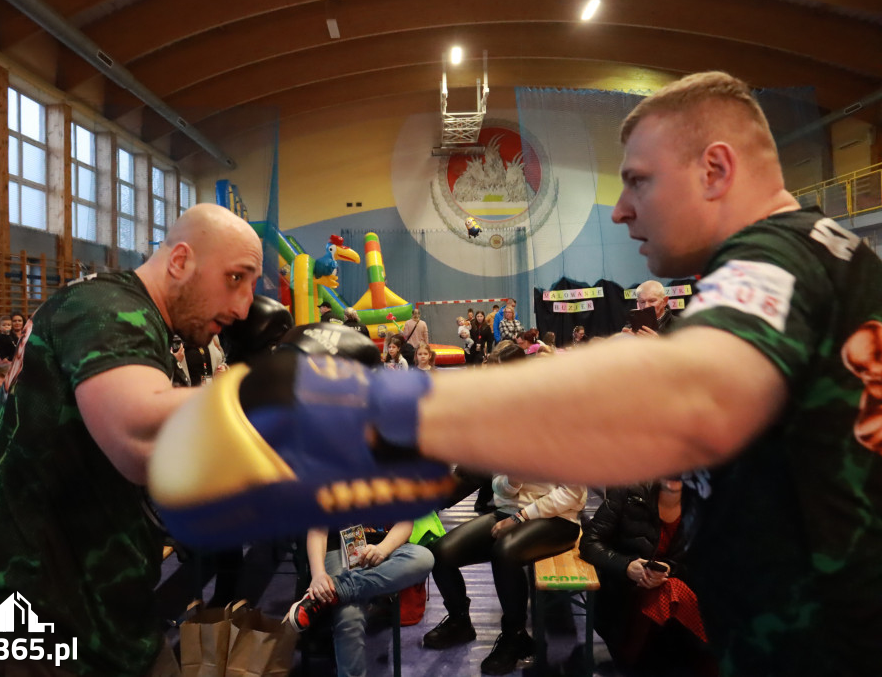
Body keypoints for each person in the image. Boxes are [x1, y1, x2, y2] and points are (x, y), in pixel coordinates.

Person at [156, 71, 882, 675]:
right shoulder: (828, 257)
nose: (624, 209)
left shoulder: (777, 261)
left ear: (716, 169)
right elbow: (655, 432)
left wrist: (375, 408)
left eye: (637, 180)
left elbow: (685, 396)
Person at [0, 203, 263, 676]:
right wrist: (270, 390)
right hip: (35, 625)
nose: (243, 307)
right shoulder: (108, 310)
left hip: (101, 611)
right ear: (180, 261)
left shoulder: (136, 319)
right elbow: (139, 438)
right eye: (236, 279)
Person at [423, 477, 586, 675]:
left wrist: (521, 517)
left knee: (505, 552)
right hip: (508, 513)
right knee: (442, 553)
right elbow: (499, 488)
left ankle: (515, 637)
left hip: (559, 519)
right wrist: (513, 482)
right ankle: (459, 621)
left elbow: (572, 493)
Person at [580, 478, 716, 676]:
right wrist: (627, 566)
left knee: (672, 590)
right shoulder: (628, 490)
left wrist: (669, 569)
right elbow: (590, 543)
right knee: (669, 593)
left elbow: (704, 562)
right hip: (625, 593)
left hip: (677, 599)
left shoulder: (703, 505)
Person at [287, 520, 433, 677]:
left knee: (423, 558)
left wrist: (382, 549)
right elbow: (317, 529)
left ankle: (334, 592)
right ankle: (338, 592)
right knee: (349, 614)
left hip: (382, 544)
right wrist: (318, 575)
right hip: (338, 547)